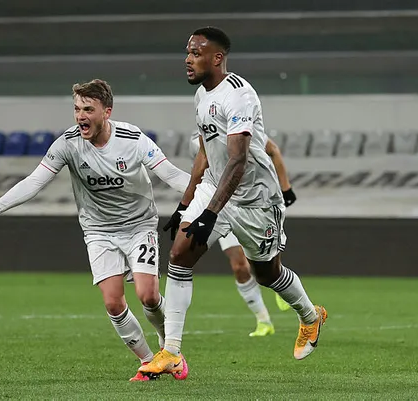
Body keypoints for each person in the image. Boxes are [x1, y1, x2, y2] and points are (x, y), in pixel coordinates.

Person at [0, 79, 193, 382]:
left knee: (148, 296)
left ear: (107, 112)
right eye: (77, 109)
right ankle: (147, 363)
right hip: (99, 231)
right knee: (113, 303)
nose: (80, 116)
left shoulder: (132, 139)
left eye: (88, 109)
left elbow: (170, 173)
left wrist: (206, 196)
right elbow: (35, 180)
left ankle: (170, 352)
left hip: (139, 226)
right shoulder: (68, 143)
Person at [140, 27, 327, 378]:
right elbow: (205, 153)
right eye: (187, 52)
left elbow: (238, 160)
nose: (187, 59)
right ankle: (172, 352)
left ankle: (310, 316)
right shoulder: (201, 95)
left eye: (196, 53)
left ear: (217, 58)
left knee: (266, 273)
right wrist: (185, 203)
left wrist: (211, 213)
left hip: (255, 199)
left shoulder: (239, 95)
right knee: (179, 255)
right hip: (216, 187)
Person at [183, 132, 296, 338]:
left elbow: (273, 150)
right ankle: (263, 321)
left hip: (248, 205)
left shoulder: (241, 130)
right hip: (220, 208)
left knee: (263, 266)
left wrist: (286, 188)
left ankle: (279, 281)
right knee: (239, 266)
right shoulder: (197, 140)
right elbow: (199, 172)